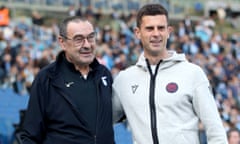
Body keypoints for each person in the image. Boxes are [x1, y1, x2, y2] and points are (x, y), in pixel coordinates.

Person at [112, 3, 228, 144]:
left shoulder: (192, 73)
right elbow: (101, 120)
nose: (156, 34)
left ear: (169, 31)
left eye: (161, 28)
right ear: (137, 33)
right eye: (149, 28)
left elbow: (215, 129)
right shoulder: (124, 80)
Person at [20, 16, 115, 144]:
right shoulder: (47, 78)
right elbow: (30, 135)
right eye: (79, 39)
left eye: (91, 37)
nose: (87, 45)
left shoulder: (104, 74)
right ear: (62, 42)